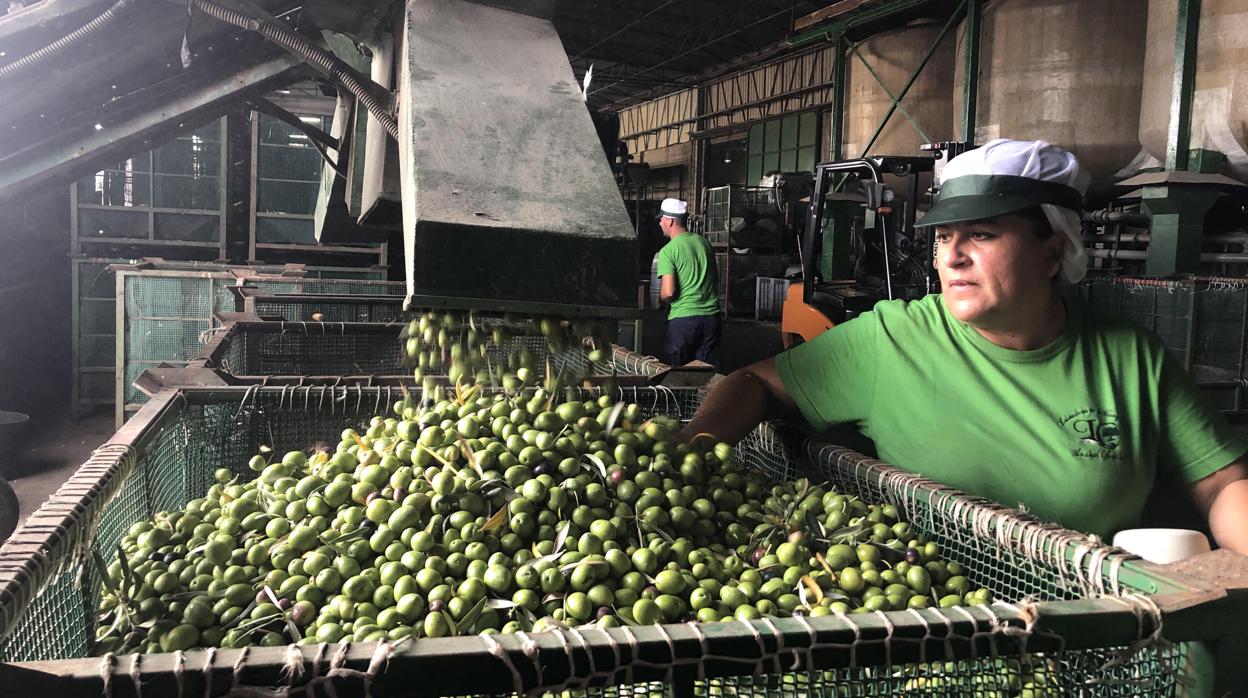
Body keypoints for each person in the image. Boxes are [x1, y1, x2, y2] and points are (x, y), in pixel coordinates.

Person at [681, 139, 1248, 554]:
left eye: (981, 234)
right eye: (944, 237)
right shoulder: (892, 338)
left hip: (1087, 629)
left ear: (1053, 252)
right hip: (931, 620)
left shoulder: (1132, 360)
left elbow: (1223, 484)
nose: (951, 258)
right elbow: (753, 382)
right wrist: (689, 457)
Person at [655, 198, 722, 371]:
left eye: (661, 219)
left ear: (669, 220)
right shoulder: (704, 243)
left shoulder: (668, 251)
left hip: (684, 322)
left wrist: (659, 298)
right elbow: (715, 279)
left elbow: (669, 292)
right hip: (711, 320)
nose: (660, 222)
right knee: (707, 375)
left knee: (677, 376)